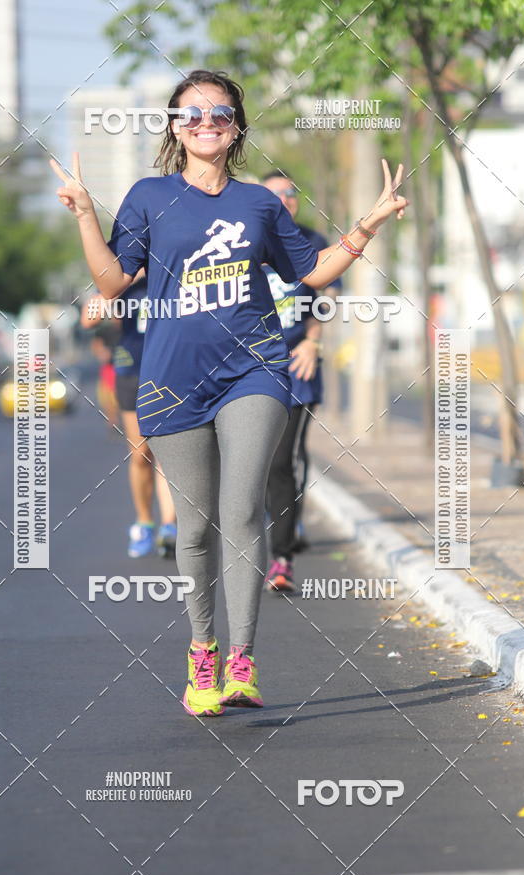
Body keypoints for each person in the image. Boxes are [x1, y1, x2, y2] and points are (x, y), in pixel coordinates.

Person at [50, 68, 408, 717]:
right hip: (172, 379)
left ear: (236, 128)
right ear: (175, 127)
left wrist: (369, 224)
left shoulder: (259, 205)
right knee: (195, 525)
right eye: (192, 113)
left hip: (255, 369)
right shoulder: (149, 197)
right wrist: (83, 215)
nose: (206, 122)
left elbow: (313, 272)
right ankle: (202, 652)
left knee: (241, 508)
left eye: (219, 113)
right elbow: (111, 283)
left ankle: (242, 659)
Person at [262, 171, 338, 590]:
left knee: (283, 460)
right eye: (276, 193)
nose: (286, 199)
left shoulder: (313, 242)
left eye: (291, 192)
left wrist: (313, 341)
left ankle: (282, 557)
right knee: (256, 462)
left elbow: (327, 298)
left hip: (297, 368)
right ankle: (279, 520)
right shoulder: (246, 240)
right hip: (249, 369)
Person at [82, 273, 177, 558]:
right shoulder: (122, 276)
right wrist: (119, 285)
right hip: (131, 372)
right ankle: (145, 521)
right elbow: (88, 320)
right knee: (140, 454)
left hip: (169, 371)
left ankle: (169, 526)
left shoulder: (170, 269)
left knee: (167, 452)